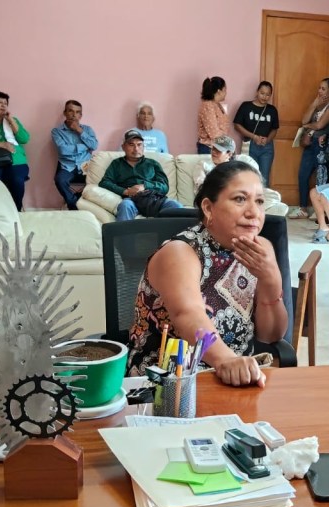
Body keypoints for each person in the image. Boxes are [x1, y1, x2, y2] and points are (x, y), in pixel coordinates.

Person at [126, 161, 288, 387]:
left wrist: (271, 278)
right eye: (240, 199)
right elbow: (188, 315)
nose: (254, 212)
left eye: (259, 201)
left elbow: (270, 336)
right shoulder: (181, 252)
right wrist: (227, 360)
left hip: (236, 377)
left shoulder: (261, 249)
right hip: (167, 382)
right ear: (208, 208)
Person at [101, 129, 182, 221]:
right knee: (125, 206)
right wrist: (125, 191)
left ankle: (181, 235)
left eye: (139, 145)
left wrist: (144, 186)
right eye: (131, 145)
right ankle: (122, 235)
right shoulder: (116, 164)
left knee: (176, 205)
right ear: (123, 147)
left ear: (143, 147)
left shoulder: (152, 163)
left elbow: (164, 187)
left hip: (154, 199)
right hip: (131, 200)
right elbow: (104, 182)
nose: (136, 149)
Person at [291, 78, 329, 220]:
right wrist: (314, 104)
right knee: (303, 175)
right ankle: (303, 208)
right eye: (319, 88)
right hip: (310, 144)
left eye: (324, 89)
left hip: (321, 145)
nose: (320, 91)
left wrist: (307, 127)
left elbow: (320, 125)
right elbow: (304, 120)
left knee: (321, 177)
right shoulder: (318, 105)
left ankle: (320, 211)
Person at [51, 99, 98, 210]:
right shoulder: (57, 131)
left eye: (77, 112)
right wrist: (85, 146)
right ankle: (74, 205)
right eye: (71, 111)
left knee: (98, 181)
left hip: (86, 166)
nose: (74, 115)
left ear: (81, 115)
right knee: (60, 180)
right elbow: (63, 150)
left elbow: (94, 145)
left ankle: (87, 205)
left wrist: (79, 130)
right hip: (68, 167)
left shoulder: (87, 129)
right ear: (65, 113)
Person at [233, 81, 279, 185]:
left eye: (268, 94)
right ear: (257, 92)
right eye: (262, 93)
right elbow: (237, 125)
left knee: (264, 177)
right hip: (250, 145)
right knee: (249, 175)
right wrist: (253, 136)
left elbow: (275, 129)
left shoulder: (272, 110)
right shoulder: (246, 106)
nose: (265, 97)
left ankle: (263, 200)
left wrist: (267, 140)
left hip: (267, 147)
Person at [193, 135, 260, 194]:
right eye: (213, 148)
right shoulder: (203, 164)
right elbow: (200, 188)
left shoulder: (238, 167)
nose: (213, 152)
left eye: (218, 150)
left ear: (229, 154)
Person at [197, 77, 229, 154]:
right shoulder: (207, 105)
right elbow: (214, 133)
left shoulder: (217, 105)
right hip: (209, 148)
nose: (226, 93)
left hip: (219, 147)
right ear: (219, 91)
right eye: (224, 90)